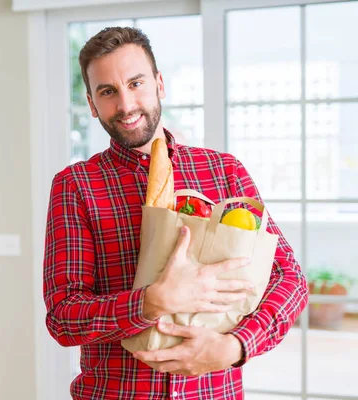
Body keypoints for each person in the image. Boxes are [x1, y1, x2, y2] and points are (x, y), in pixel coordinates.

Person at [43, 27, 308, 399]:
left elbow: (289, 279)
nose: (126, 104)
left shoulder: (223, 171)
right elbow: (63, 317)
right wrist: (152, 301)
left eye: (136, 83)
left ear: (159, 84)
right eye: (108, 92)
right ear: (91, 104)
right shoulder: (75, 185)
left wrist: (236, 347)